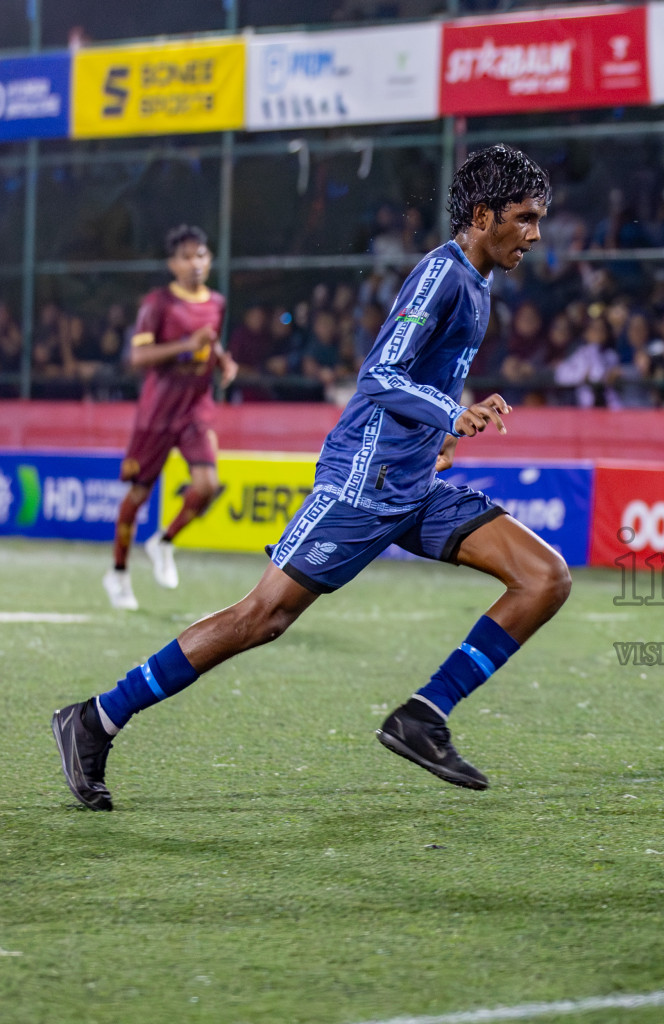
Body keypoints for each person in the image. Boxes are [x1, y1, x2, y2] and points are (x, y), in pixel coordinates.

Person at [54, 146, 569, 811]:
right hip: (364, 480)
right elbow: (380, 373)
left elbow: (420, 380)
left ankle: (424, 716)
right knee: (261, 617)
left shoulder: (478, 281)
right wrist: (452, 412)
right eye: (525, 218)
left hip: (411, 480)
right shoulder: (442, 276)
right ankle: (95, 720)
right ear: (481, 214)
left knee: (544, 577)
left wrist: (440, 435)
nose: (534, 235)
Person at [102, 225, 237, 611]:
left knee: (208, 485)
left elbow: (211, 340)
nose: (194, 263)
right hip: (157, 412)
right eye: (186, 256)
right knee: (139, 494)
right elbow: (138, 357)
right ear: (171, 263)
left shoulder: (217, 302)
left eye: (201, 255)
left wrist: (223, 360)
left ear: (209, 259)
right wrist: (185, 347)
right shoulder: (157, 304)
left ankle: (163, 541)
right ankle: (118, 573)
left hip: (195, 407)